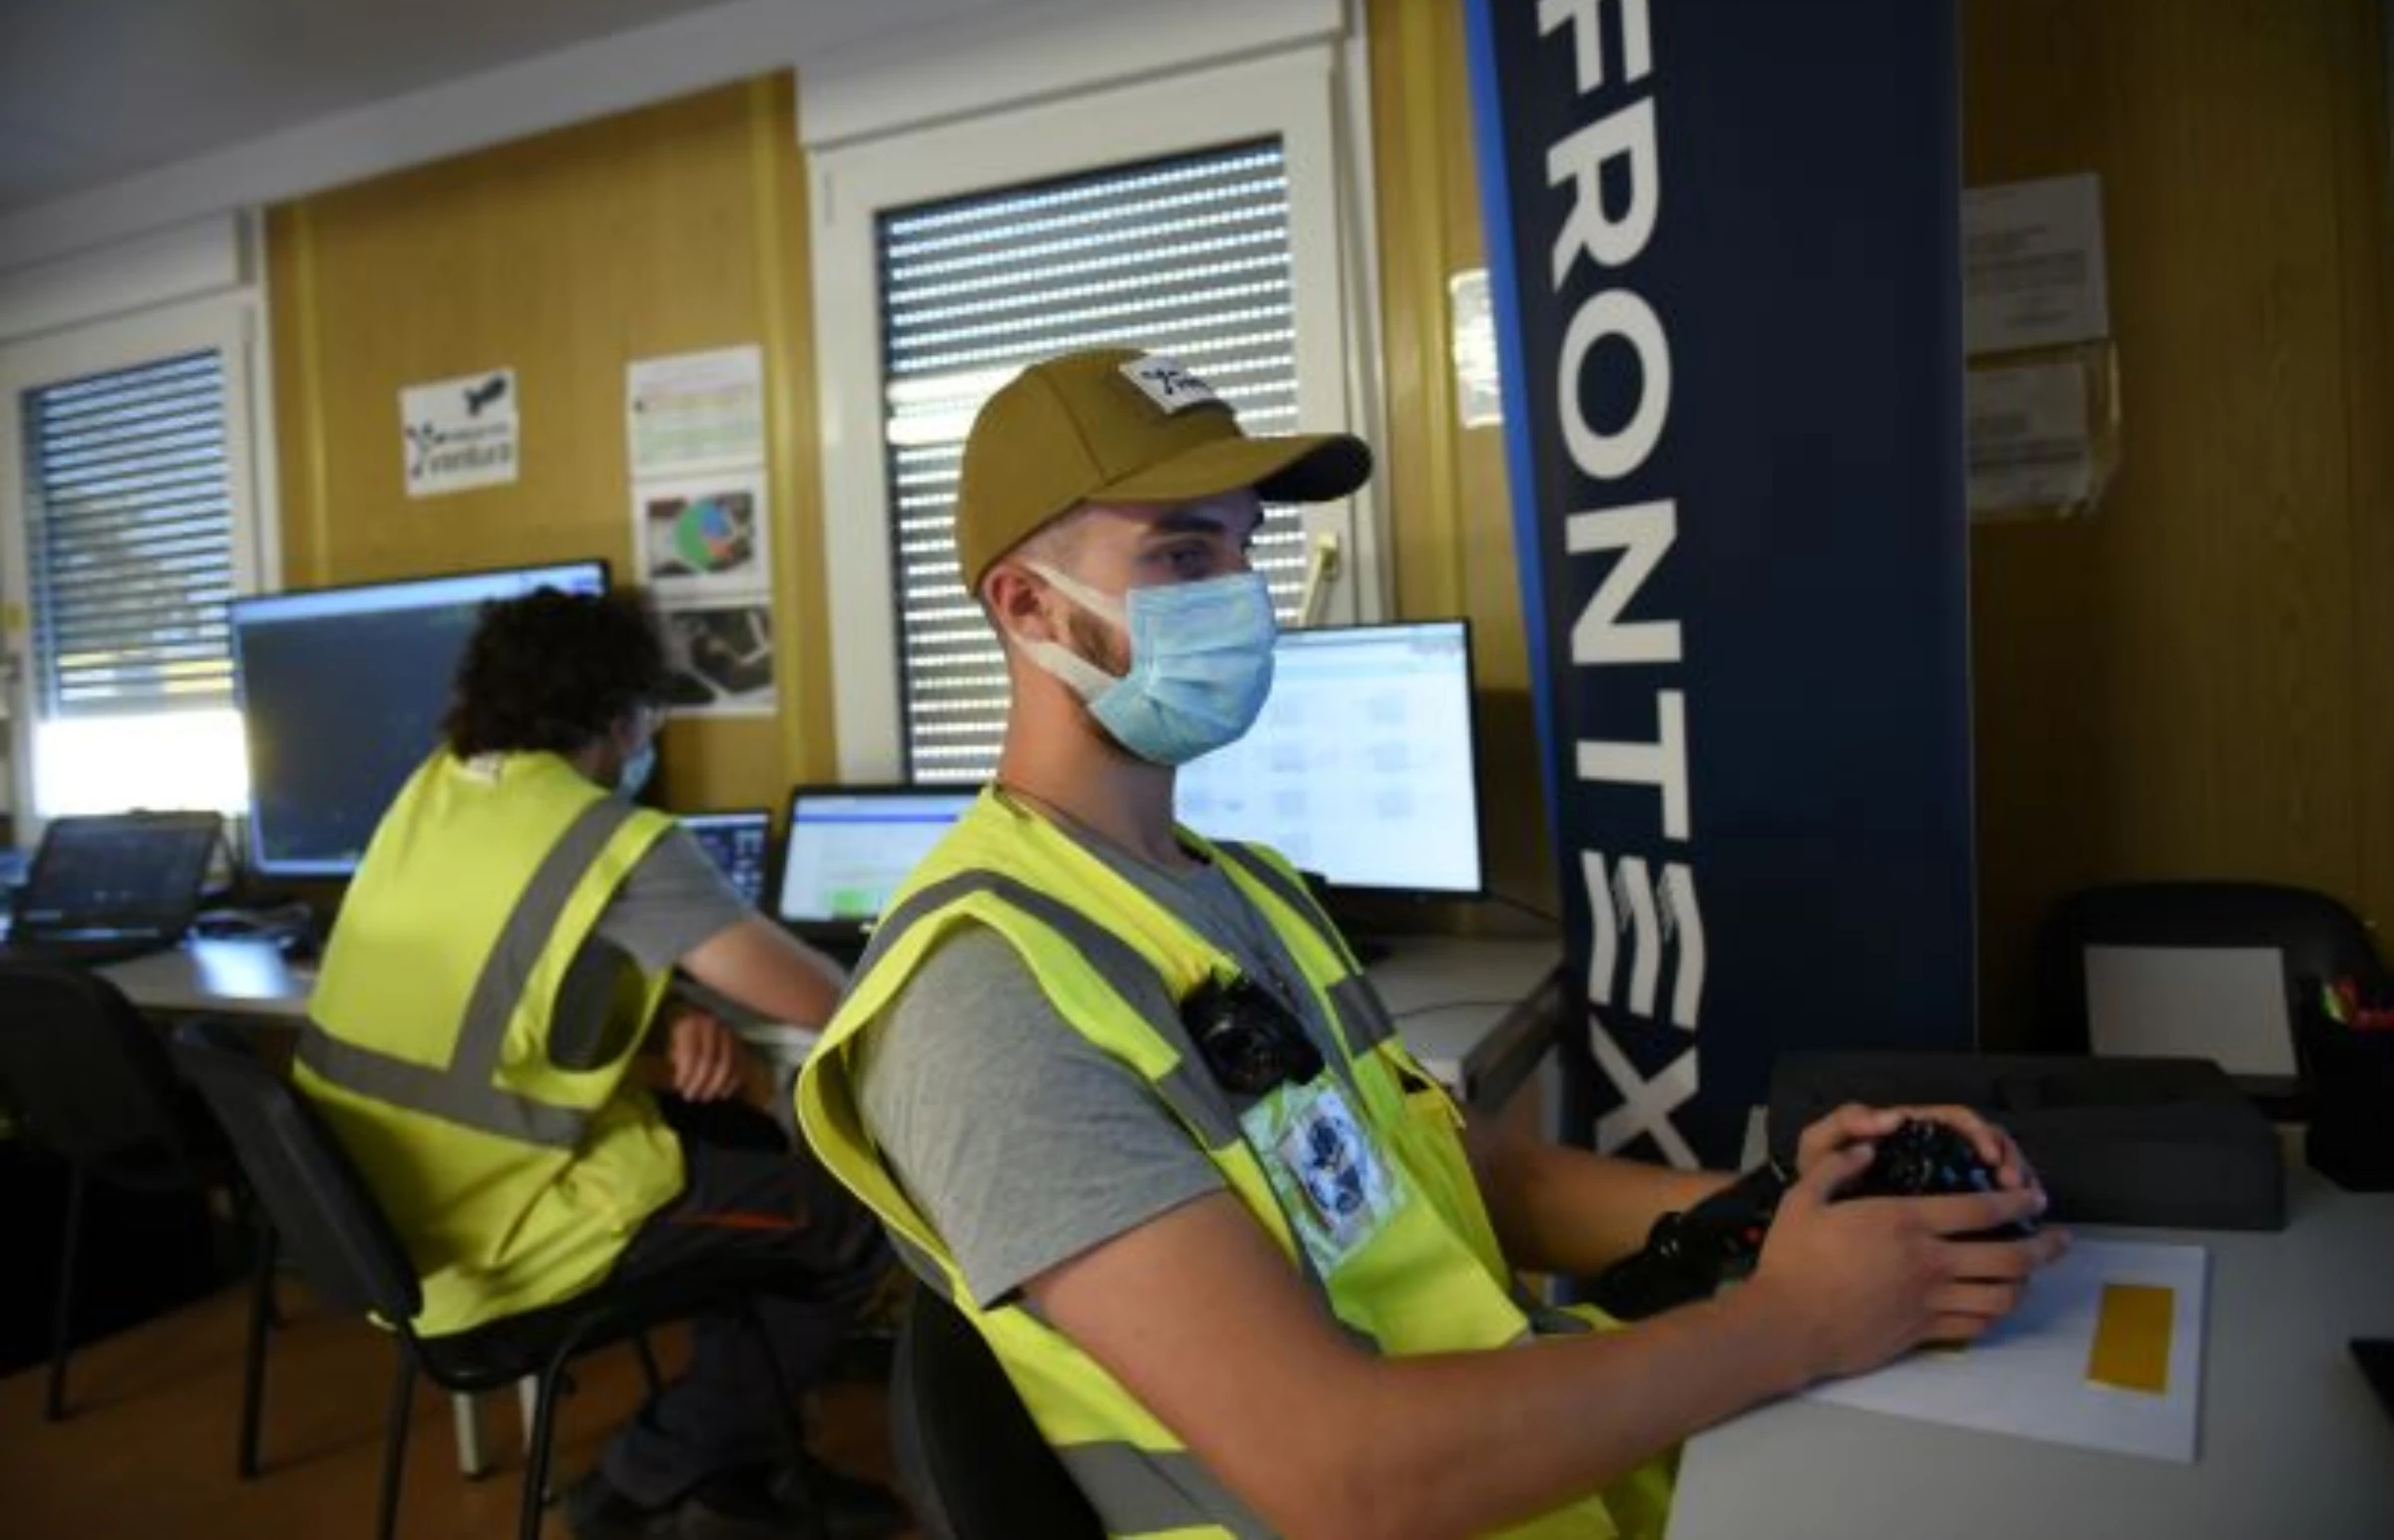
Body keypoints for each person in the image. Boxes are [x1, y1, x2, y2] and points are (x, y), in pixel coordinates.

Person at [797, 346, 2071, 1540]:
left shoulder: (1241, 890)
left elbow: (1459, 1175)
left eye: (1246, 549)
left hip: (1545, 1480)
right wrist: (1794, 1322)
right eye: (1185, 556)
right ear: (1027, 606)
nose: (1239, 596)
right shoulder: (979, 1000)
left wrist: (1775, 1208)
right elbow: (1337, 1469)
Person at [294, 587, 904, 1540]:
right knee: (854, 1213)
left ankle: (740, 1466)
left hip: (380, 1214)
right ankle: (644, 1476)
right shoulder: (613, 841)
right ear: (626, 716)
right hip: (500, 1230)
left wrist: (678, 1003)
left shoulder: (436, 791)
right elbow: (822, 1000)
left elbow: (503, 969)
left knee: (737, 1141)